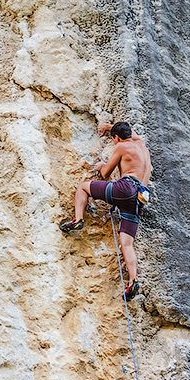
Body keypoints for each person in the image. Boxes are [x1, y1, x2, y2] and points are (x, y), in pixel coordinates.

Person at [61, 121, 152, 300]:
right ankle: (133, 281)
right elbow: (129, 131)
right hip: (140, 197)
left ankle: (78, 219)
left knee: (82, 187)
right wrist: (110, 127)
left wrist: (101, 165)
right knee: (126, 243)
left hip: (125, 188)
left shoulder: (121, 146)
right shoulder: (142, 145)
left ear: (117, 138)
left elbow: (106, 174)